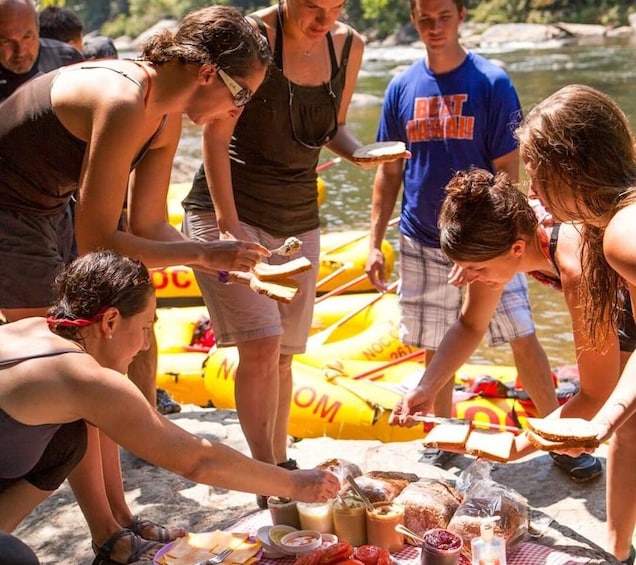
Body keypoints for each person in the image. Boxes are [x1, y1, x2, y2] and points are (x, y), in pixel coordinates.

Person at [1, 6, 272, 563]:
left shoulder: (165, 113)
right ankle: (108, 533)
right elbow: (100, 234)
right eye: (240, 94)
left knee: (101, 359)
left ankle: (120, 515)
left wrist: (221, 266)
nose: (236, 110)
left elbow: (146, 222)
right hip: (6, 210)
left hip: (49, 203)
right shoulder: (126, 101)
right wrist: (203, 249)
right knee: (73, 365)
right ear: (206, 74)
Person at [362, 0, 595, 478]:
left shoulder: (490, 82)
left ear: (462, 15)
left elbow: (508, 169)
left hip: (490, 238)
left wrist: (498, 241)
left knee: (521, 333)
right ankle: (442, 434)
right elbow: (387, 172)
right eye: (424, 18)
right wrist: (373, 242)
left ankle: (560, 438)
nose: (434, 26)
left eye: (443, 16)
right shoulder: (401, 86)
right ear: (413, 19)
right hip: (426, 235)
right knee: (436, 336)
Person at [0, 250, 340, 565]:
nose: (146, 343)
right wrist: (293, 483)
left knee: (70, 438)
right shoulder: (86, 379)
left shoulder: (37, 328)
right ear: (110, 321)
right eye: (145, 327)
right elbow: (197, 461)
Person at [182, 0, 369, 508]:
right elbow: (214, 136)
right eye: (312, 7)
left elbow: (333, 127)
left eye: (335, 8)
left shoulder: (349, 46)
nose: (324, 20)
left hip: (298, 218)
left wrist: (362, 154)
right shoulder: (252, 37)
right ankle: (268, 477)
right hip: (230, 211)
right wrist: (226, 228)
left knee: (284, 354)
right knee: (262, 345)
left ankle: (281, 463)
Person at [515, 84, 636, 565]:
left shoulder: (621, 235)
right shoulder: (608, 224)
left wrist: (604, 417)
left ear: (570, 171)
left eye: (538, 178)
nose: (532, 193)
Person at [0, 0, 83, 101]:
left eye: (27, 37)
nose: (20, 51)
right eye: (7, 41)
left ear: (37, 29)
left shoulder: (67, 59)